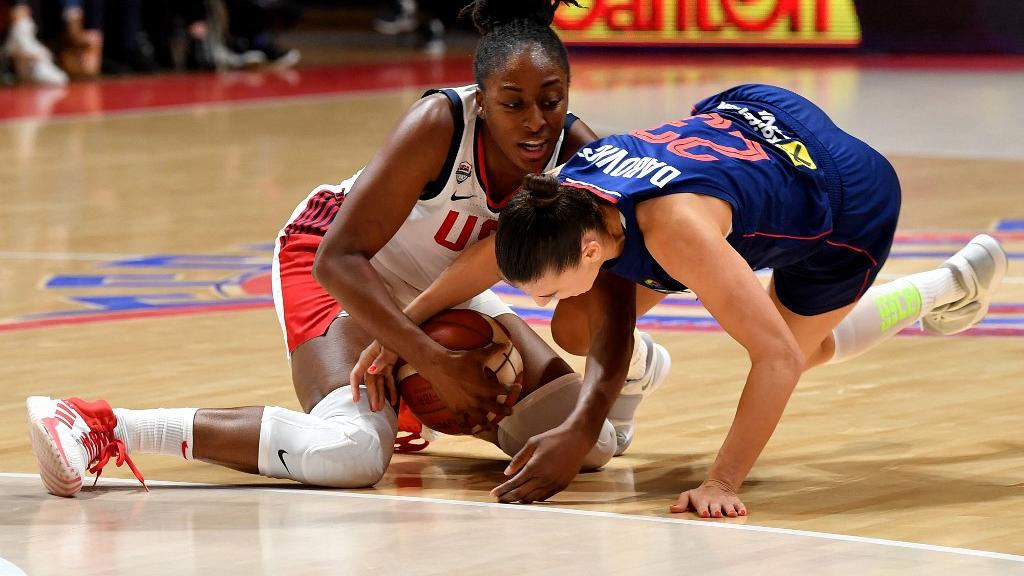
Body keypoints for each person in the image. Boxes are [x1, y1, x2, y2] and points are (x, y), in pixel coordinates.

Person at [26, 0, 670, 497]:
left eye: (551, 102)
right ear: (483, 100)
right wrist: (431, 360)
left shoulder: (583, 156)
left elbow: (613, 292)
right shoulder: (441, 124)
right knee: (350, 455)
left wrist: (591, 406)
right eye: (513, 104)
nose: (535, 122)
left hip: (440, 287)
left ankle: (636, 372)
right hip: (336, 262)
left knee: (590, 446)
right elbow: (340, 258)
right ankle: (102, 424)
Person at [483, 83, 1007, 516]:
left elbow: (776, 360)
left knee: (795, 354)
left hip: (846, 197)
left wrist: (722, 484)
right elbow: (497, 265)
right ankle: (638, 370)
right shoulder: (560, 196)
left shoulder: (677, 233)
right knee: (575, 326)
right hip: (755, 113)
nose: (544, 300)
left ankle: (944, 287)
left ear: (591, 248)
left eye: (547, 289)